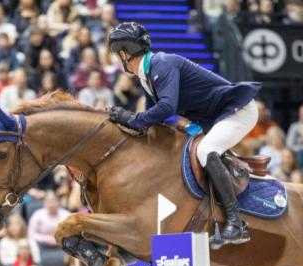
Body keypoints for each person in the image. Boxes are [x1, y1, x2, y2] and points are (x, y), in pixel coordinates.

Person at [107, 22, 261, 247]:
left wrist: (132, 118)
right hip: (213, 119)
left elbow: (167, 108)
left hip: (238, 111)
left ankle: (235, 223)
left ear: (123, 53)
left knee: (206, 150)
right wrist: (126, 123)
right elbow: (153, 117)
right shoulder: (147, 76)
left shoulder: (161, 64)